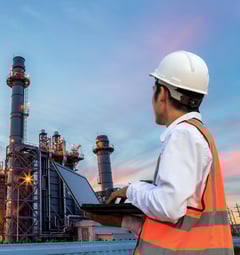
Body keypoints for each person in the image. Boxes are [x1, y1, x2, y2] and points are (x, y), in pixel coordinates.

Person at [86, 51, 234, 254]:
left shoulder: (183, 135)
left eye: (153, 89)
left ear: (162, 93)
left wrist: (131, 190)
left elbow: (168, 208)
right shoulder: (200, 135)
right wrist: (125, 220)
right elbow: (180, 226)